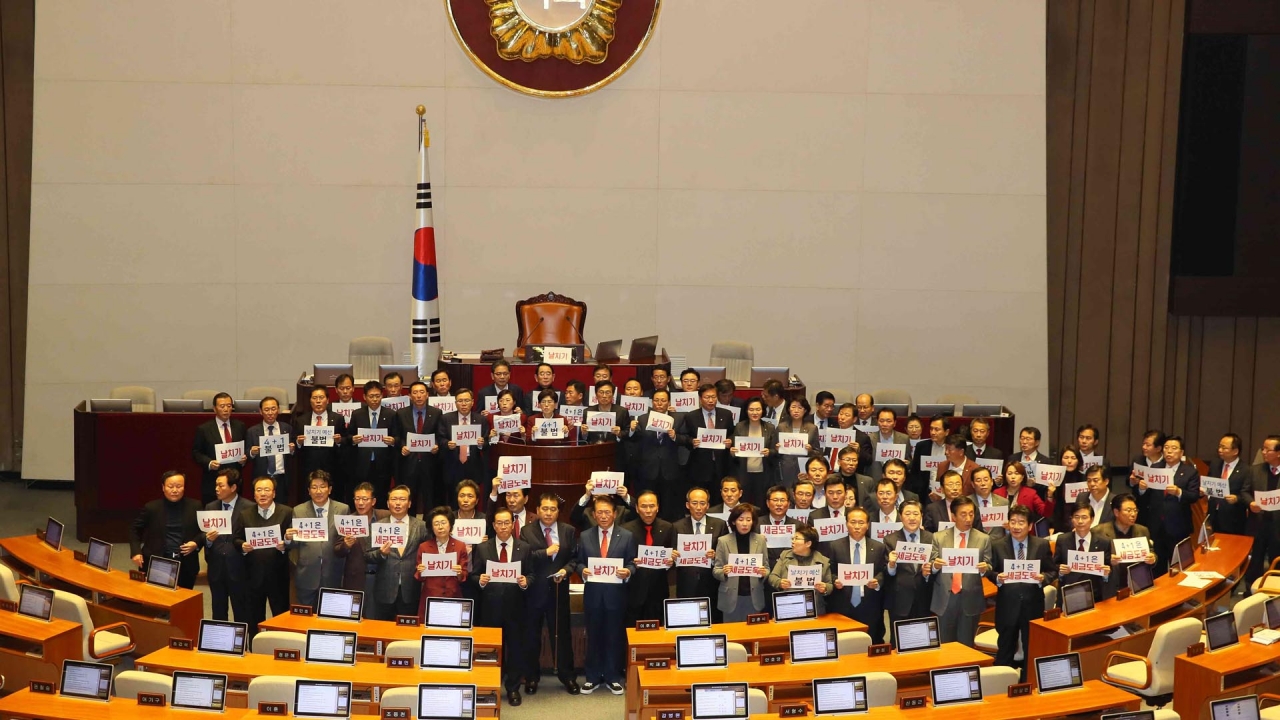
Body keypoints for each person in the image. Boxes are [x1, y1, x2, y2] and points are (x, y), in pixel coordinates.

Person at [573, 495, 636, 695]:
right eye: (599, 512)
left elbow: (633, 563)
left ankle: (612, 677)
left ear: (615, 514)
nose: (603, 516)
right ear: (593, 514)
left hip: (616, 595)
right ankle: (591, 677)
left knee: (613, 636)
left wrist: (628, 572)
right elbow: (578, 561)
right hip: (593, 595)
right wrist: (582, 570)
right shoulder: (585, 536)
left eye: (607, 512)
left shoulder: (626, 536)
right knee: (593, 636)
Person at [520, 493, 580, 695]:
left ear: (558, 512)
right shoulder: (526, 531)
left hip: (558, 591)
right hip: (534, 593)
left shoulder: (568, 531)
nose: (548, 513)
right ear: (537, 510)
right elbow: (523, 558)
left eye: (552, 509)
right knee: (531, 636)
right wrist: (544, 553)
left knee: (562, 636)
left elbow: (574, 559)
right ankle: (531, 677)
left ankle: (568, 677)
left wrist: (566, 571)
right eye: (544, 508)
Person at [472, 507, 530, 706]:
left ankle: (513, 689)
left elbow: (531, 574)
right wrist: (480, 580)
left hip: (516, 608)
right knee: (490, 652)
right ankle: (490, 687)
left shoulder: (525, 547)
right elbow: (473, 575)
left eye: (507, 523)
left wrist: (525, 581)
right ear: (494, 525)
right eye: (499, 523)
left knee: (515, 649)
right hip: (490, 608)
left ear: (512, 525)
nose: (504, 526)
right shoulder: (483, 548)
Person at [988, 504, 1054, 677]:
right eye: (1013, 522)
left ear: (1030, 526)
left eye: (1021, 522)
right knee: (1005, 649)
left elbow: (1052, 571)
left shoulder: (1041, 545)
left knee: (1031, 647)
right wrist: (997, 577)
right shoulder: (996, 545)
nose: (1016, 526)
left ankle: (1028, 683)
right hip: (1007, 605)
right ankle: (1001, 684)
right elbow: (989, 570)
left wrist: (1043, 578)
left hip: (1032, 605)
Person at [929, 496, 991, 647]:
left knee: (966, 645)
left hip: (970, 598)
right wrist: (935, 566)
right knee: (944, 645)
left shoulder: (983, 539)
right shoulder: (938, 537)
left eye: (971, 514)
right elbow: (931, 564)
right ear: (953, 516)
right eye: (963, 514)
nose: (968, 518)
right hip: (945, 598)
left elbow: (989, 565)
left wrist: (984, 568)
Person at [236, 476, 293, 637]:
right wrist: (242, 546)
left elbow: (293, 540)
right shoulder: (245, 514)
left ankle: (281, 648)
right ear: (254, 494)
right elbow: (236, 538)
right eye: (258, 490)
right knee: (253, 617)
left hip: (278, 575)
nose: (263, 493)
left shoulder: (287, 512)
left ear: (274, 493)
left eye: (267, 490)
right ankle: (254, 650)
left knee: (281, 616)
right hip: (253, 576)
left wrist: (285, 544)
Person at [1135, 435, 1200, 574]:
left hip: (1178, 526)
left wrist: (1179, 492)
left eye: (1174, 448)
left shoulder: (1190, 472)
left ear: (1181, 453)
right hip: (1156, 525)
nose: (1169, 451)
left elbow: (1194, 496)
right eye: (1166, 448)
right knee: (1157, 566)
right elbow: (1144, 498)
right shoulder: (1154, 468)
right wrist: (1141, 489)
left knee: (1179, 567)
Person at [287, 470, 349, 608]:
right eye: (314, 487)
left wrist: (347, 544)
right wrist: (288, 538)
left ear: (330, 489)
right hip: (306, 574)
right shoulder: (299, 510)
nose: (318, 491)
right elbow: (294, 543)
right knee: (304, 618)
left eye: (322, 486)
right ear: (309, 491)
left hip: (333, 573)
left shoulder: (343, 509)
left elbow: (342, 540)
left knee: (330, 617)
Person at [131, 470, 202, 589]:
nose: (175, 490)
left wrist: (196, 543)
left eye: (179, 486)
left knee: (184, 599)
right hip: (157, 561)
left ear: (184, 487)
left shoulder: (196, 506)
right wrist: (136, 551)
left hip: (186, 562)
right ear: (163, 487)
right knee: (157, 598)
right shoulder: (151, 507)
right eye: (171, 486)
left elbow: (205, 531)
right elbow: (134, 529)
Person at [366, 485, 428, 620]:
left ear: (410, 503)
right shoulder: (378, 527)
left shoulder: (421, 526)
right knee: (383, 633)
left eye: (402, 499)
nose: (398, 503)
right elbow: (368, 555)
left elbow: (429, 552)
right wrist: (381, 553)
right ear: (388, 503)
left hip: (411, 589)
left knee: (407, 633)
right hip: (384, 589)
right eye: (394, 499)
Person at [827, 506, 888, 643]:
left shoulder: (879, 547)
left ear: (867, 525)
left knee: (872, 641)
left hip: (869, 603)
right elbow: (829, 571)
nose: (856, 526)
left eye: (861, 523)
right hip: (842, 603)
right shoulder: (835, 546)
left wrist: (877, 582)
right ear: (846, 524)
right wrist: (835, 580)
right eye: (852, 522)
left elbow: (883, 571)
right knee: (842, 643)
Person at [672, 487, 727, 620]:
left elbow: (726, 556)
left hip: (711, 583)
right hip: (686, 583)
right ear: (687, 505)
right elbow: (672, 556)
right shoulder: (677, 526)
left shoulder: (719, 524)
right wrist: (672, 557)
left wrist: (715, 557)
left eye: (702, 503)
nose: (698, 507)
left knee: (712, 621)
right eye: (694, 503)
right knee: (687, 622)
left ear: (708, 505)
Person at [204, 469, 252, 622]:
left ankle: (242, 645)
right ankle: (220, 645)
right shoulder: (210, 507)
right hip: (216, 567)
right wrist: (209, 541)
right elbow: (203, 534)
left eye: (221, 486)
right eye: (216, 485)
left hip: (240, 567)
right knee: (218, 611)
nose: (216, 489)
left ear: (233, 488)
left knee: (242, 611)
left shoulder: (249, 508)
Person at [334, 483, 388, 616]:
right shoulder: (348, 521)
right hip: (355, 579)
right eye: (357, 499)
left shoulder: (385, 517)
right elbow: (337, 550)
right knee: (355, 619)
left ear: (373, 501)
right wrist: (346, 545)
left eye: (365, 499)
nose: (360, 503)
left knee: (377, 620)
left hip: (381, 577)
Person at [626, 388, 681, 516]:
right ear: (652, 402)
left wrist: (675, 436)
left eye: (663, 400)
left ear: (669, 402)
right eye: (656, 400)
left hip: (670, 469)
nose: (659, 403)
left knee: (668, 506)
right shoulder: (643, 418)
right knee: (648, 505)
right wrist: (632, 430)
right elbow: (634, 439)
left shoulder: (678, 418)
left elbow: (687, 439)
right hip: (648, 469)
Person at [712, 504, 770, 621]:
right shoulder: (723, 541)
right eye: (741, 519)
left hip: (753, 596)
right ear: (733, 522)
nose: (745, 523)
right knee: (732, 636)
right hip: (730, 597)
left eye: (748, 520)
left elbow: (767, 567)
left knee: (754, 636)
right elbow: (716, 570)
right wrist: (724, 572)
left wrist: (764, 573)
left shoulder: (760, 540)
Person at [884, 500, 934, 632]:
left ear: (921, 516)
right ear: (900, 516)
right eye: (907, 514)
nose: (912, 518)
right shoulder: (890, 540)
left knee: (923, 641)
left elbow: (936, 569)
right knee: (899, 643)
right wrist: (891, 564)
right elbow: (888, 574)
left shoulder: (931, 538)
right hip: (900, 600)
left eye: (916, 514)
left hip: (924, 598)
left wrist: (927, 573)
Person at [1093, 494, 1156, 597]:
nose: (1133, 514)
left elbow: (1151, 551)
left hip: (1137, 585)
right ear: (1116, 512)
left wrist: (1153, 558)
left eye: (1135, 510)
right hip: (1110, 588)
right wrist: (1107, 560)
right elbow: (1092, 561)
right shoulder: (1099, 532)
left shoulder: (1142, 530)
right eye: (1128, 510)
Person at [396, 381, 443, 515]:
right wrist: (402, 446)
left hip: (430, 464)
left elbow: (440, 435)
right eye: (415, 393)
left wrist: (437, 446)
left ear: (427, 394)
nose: (418, 396)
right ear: (410, 395)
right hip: (409, 464)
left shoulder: (436, 413)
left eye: (422, 392)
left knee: (430, 501)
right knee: (409, 500)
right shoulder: (401, 413)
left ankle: (430, 531)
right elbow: (398, 436)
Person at [349, 381, 398, 505]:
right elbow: (348, 436)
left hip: (383, 463)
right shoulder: (357, 414)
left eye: (378, 396)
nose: (375, 399)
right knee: (362, 496)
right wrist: (353, 440)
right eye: (371, 396)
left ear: (382, 395)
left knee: (381, 495)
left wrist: (393, 441)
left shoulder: (391, 414)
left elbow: (398, 436)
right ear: (364, 397)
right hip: (362, 463)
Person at [192, 393, 247, 505]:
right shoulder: (204, 429)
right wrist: (209, 462)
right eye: (222, 406)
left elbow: (245, 447)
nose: (226, 409)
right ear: (214, 409)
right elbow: (196, 452)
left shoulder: (240, 426)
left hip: (234, 480)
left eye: (229, 406)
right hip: (213, 479)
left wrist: (245, 458)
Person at [679, 384, 736, 492]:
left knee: (718, 498)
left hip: (721, 465)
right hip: (699, 466)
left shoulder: (726, 414)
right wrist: (691, 441)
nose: (711, 400)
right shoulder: (691, 416)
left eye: (713, 397)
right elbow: (684, 436)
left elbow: (733, 433)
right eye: (707, 397)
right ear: (700, 399)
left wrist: (731, 440)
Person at [767, 525, 834, 614]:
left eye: (796, 538)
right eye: (793, 538)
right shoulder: (785, 556)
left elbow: (829, 585)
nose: (792, 541)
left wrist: (824, 588)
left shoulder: (823, 561)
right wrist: (780, 582)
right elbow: (772, 577)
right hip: (788, 607)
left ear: (808, 543)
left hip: (814, 608)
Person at [1053, 502, 1111, 601]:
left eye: (1084, 517)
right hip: (1068, 594)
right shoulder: (1062, 540)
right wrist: (1061, 572)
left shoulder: (1103, 542)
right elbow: (1054, 566)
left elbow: (1108, 569)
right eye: (1076, 517)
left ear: (1092, 519)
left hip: (1094, 595)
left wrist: (1106, 574)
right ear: (1072, 519)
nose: (1080, 521)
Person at [1245, 437, 1280, 591]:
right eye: (1263, 448)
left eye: (1268, 449)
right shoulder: (1255, 470)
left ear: (1278, 453)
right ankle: (1250, 591)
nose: (1263, 452)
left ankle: (1274, 592)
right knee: (1255, 561)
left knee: (1276, 560)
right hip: (1258, 523)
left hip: (1277, 526)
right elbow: (1244, 491)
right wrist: (1250, 503)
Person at [439, 389, 488, 497]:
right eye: (460, 401)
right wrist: (447, 444)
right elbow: (440, 438)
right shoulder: (446, 418)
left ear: (473, 402)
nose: (464, 404)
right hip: (453, 464)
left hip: (473, 464)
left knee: (472, 496)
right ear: (455, 403)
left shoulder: (481, 419)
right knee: (453, 498)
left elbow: (487, 442)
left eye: (467, 400)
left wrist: (481, 444)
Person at [295, 385, 348, 485]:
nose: (318, 401)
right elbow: (294, 443)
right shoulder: (301, 421)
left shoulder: (338, 419)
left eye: (321, 398)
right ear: (310, 401)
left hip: (332, 466)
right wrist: (298, 442)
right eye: (314, 398)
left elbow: (345, 441)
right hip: (309, 466)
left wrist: (339, 441)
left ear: (327, 400)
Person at [246, 396, 294, 503]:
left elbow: (293, 454)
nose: (270, 413)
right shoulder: (252, 431)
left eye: (273, 409)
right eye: (266, 410)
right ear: (260, 411)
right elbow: (246, 455)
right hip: (262, 478)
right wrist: (252, 453)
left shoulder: (287, 428)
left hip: (281, 478)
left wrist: (292, 449)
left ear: (278, 410)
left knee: (282, 509)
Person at [729, 398, 778, 503]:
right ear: (746, 411)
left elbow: (775, 451)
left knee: (761, 504)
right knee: (743, 504)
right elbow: (734, 450)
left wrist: (770, 452)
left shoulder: (770, 427)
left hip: (762, 473)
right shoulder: (740, 426)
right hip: (743, 473)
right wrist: (733, 452)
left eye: (758, 409)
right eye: (751, 410)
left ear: (763, 410)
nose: (755, 413)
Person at [1208, 433, 1247, 535]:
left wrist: (1237, 499)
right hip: (1213, 516)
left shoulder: (1247, 470)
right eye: (1219, 446)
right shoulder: (1215, 464)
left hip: (1233, 519)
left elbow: (1249, 495)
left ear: (1235, 451)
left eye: (1224, 448)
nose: (1220, 450)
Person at [776, 397, 818, 484]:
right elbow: (773, 451)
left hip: (803, 468)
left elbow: (818, 452)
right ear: (788, 409)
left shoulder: (812, 428)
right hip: (785, 468)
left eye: (800, 408)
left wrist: (810, 450)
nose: (796, 410)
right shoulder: (781, 427)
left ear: (805, 410)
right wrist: (777, 449)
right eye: (793, 407)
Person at [1045, 445, 1085, 532]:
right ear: (1061, 460)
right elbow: (1051, 507)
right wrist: (1050, 495)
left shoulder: (1084, 480)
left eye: (1073, 458)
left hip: (1081, 524)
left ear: (1078, 460)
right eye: (1066, 457)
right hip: (1060, 525)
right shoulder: (1055, 479)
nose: (1069, 461)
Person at [908, 417, 949, 498]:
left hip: (947, 491)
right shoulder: (922, 446)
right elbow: (915, 472)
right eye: (931, 429)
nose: (933, 432)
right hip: (926, 493)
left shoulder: (952, 448)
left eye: (937, 429)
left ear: (946, 432)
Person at [829, 403, 873, 475]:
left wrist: (859, 451)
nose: (842, 417)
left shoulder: (862, 437)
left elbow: (869, 461)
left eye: (847, 415)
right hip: (829, 473)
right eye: (841, 414)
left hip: (849, 475)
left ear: (854, 419)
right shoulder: (831, 432)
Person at [934, 434, 980, 498]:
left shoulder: (975, 469)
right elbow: (939, 488)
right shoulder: (942, 466)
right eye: (946, 449)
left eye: (949, 450)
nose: (946, 452)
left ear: (961, 452)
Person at [585, 380, 629, 445]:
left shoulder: (622, 411)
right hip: (593, 450)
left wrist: (619, 433)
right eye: (601, 392)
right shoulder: (588, 412)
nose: (604, 396)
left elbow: (628, 432)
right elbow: (584, 437)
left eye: (607, 392)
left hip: (615, 450)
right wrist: (584, 433)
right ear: (596, 395)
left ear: (613, 394)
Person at [870, 407, 912, 474]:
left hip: (896, 478)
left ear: (894, 423)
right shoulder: (869, 438)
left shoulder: (904, 438)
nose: (885, 424)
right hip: (876, 479)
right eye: (881, 421)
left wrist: (907, 463)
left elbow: (910, 462)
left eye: (888, 421)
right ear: (877, 422)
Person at [970, 467, 1008, 540]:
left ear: (991, 482)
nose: (983, 483)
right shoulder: (967, 503)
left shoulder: (1003, 502)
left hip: (998, 545)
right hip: (976, 544)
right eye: (978, 480)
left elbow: (1007, 531)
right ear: (973, 484)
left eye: (986, 480)